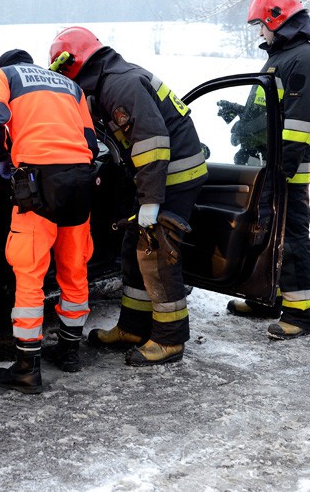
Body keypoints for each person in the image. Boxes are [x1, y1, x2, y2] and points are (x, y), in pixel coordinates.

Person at [48, 27, 207, 366]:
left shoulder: (120, 85)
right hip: (153, 177)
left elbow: (151, 143)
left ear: (73, 64)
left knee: (157, 252)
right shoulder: (107, 82)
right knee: (133, 249)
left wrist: (150, 201)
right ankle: (133, 328)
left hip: (173, 175)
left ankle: (169, 339)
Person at [0, 49, 99, 393]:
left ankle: (27, 368)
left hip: (37, 182)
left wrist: (2, 158)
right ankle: (70, 352)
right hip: (79, 180)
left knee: (30, 271)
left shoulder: (5, 77)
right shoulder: (68, 85)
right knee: (75, 267)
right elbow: (90, 140)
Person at [225, 0, 310, 340]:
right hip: (271, 164)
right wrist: (243, 115)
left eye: (260, 25)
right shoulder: (282, 56)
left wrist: (281, 171)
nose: (259, 32)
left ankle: (299, 315)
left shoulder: (305, 59)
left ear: (276, 19)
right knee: (267, 233)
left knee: (290, 236)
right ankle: (266, 299)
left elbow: (302, 124)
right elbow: (276, 110)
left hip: (287, 170)